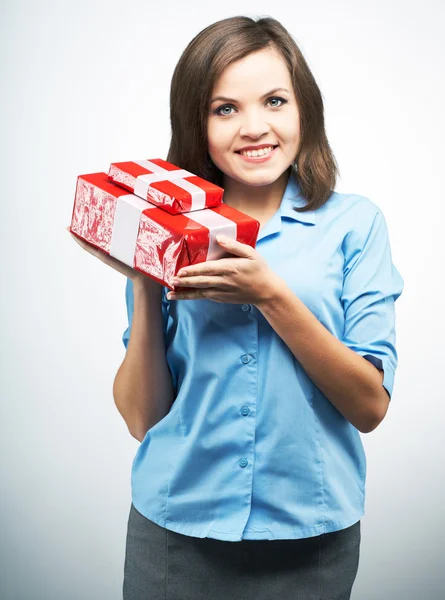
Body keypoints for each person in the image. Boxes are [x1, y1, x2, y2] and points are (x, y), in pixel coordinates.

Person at [69, 14, 404, 600]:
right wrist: (146, 275)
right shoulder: (167, 229)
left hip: (312, 538)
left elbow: (369, 406)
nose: (255, 127)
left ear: (305, 110)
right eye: (225, 108)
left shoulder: (355, 225)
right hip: (174, 535)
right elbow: (143, 419)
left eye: (275, 101)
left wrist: (271, 295)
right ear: (196, 122)